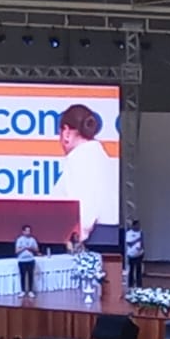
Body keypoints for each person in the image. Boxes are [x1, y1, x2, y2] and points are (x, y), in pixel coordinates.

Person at [53, 104, 118, 243]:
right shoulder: (99, 156)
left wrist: (73, 240)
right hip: (106, 236)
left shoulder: (80, 158)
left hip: (91, 241)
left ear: (66, 132)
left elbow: (85, 210)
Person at [15, 224, 40, 298]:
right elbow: (16, 251)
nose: (28, 232)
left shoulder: (32, 240)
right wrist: (24, 248)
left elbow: (37, 250)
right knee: (23, 276)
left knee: (30, 275)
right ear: (23, 231)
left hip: (30, 260)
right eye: (26, 230)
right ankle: (22, 291)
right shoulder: (19, 240)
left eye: (29, 231)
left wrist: (32, 248)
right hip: (22, 260)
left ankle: (30, 291)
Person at [125, 219, 145, 288]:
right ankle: (130, 284)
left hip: (139, 254)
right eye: (137, 225)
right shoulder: (129, 233)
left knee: (139, 270)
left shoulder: (140, 232)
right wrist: (137, 239)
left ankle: (139, 285)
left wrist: (142, 248)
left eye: (139, 225)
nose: (139, 226)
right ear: (133, 226)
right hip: (131, 255)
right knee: (131, 270)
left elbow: (142, 242)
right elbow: (129, 243)